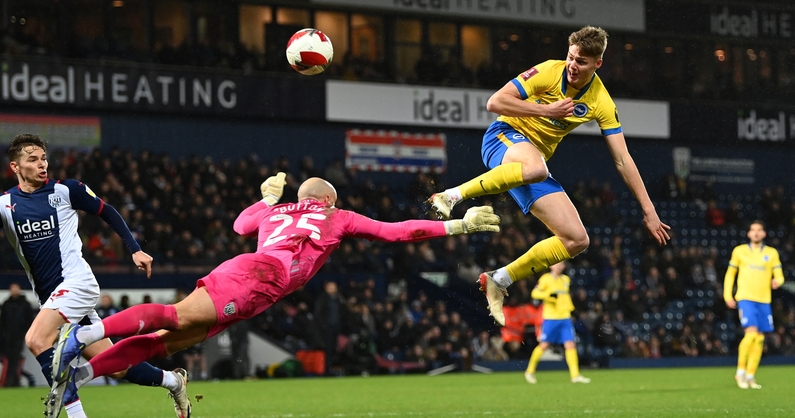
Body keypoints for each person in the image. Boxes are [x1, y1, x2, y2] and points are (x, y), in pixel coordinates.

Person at [49, 174, 500, 415]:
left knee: (171, 341)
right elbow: (394, 232)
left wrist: (266, 201)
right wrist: (457, 225)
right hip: (261, 276)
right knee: (174, 316)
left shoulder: (277, 210)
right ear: (325, 199)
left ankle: (82, 374)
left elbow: (240, 227)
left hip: (257, 278)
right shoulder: (335, 215)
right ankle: (85, 334)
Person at [427, 26, 670, 325]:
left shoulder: (600, 101)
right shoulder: (548, 72)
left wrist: (649, 211)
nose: (572, 65)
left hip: (531, 163)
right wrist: (546, 111)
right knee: (536, 167)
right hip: (504, 137)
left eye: (581, 61)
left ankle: (499, 279)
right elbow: (495, 103)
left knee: (577, 239)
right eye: (571, 57)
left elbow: (622, 159)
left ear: (598, 64)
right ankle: (451, 195)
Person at [0, 134, 188, 418]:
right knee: (115, 364)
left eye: (43, 158)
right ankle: (174, 381)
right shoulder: (4, 205)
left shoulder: (66, 191)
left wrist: (135, 249)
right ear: (15, 167)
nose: (42, 164)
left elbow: (107, 211)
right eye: (33, 159)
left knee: (37, 340)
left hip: (77, 284)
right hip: (51, 298)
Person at [723, 220, 784, 389]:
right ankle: (740, 372)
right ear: (749, 234)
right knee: (750, 334)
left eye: (759, 230)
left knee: (760, 338)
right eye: (753, 230)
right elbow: (730, 274)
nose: (756, 233)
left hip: (764, 300)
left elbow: (780, 275)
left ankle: (751, 376)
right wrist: (728, 294)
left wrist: (777, 281)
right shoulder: (740, 251)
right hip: (746, 298)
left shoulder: (771, 253)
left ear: (764, 234)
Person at [524, 261, 590, 384]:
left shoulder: (566, 279)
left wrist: (571, 310)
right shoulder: (545, 279)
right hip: (551, 317)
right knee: (544, 345)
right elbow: (535, 293)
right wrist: (548, 295)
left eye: (561, 264)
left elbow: (566, 297)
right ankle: (529, 371)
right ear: (551, 266)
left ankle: (575, 375)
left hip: (565, 317)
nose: (559, 266)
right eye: (557, 264)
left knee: (570, 345)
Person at [0, 282, 35, 387]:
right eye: (12, 288)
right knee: (8, 358)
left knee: (16, 358)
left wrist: (25, 332)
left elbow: (30, 320)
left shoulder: (25, 304)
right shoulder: (6, 304)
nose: (14, 290)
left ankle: (14, 380)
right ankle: (7, 381)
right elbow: (3, 321)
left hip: (19, 336)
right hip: (7, 337)